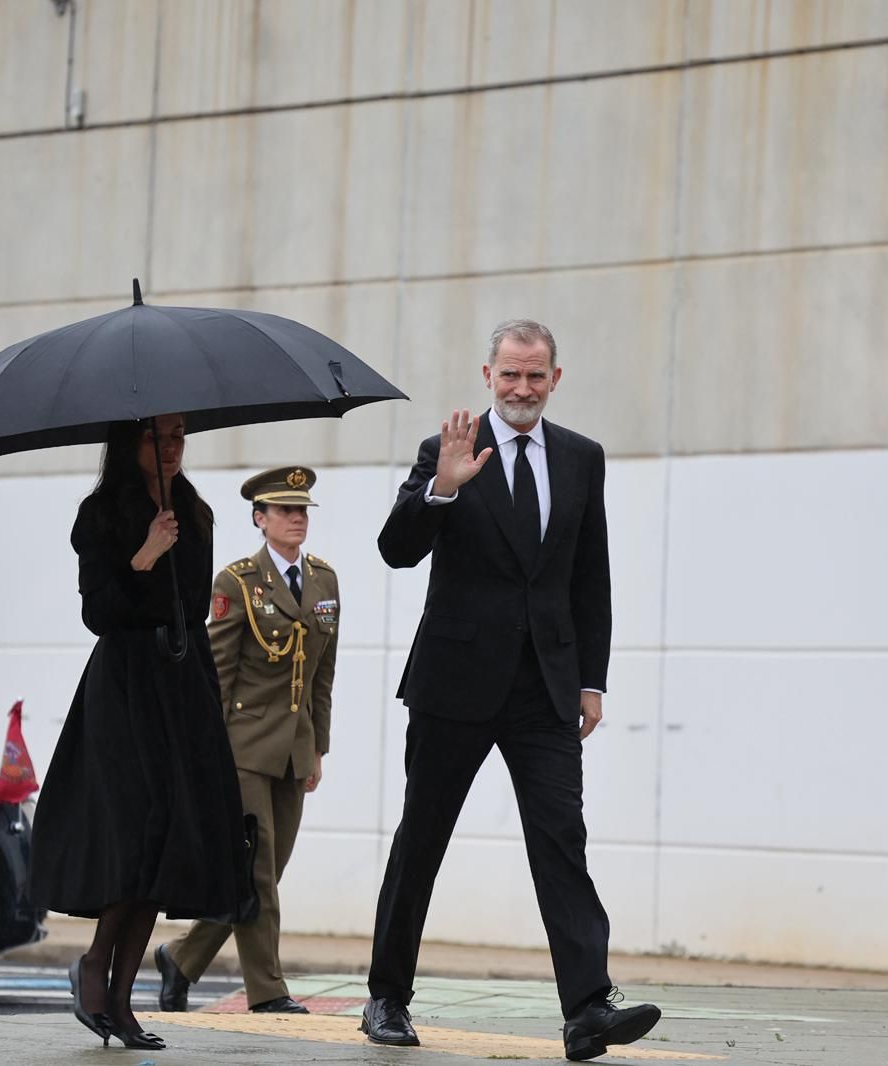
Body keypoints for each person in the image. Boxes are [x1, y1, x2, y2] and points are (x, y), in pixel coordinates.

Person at [362, 319, 660, 1061]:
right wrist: (440, 490)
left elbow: (591, 575)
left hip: (546, 688)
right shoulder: (447, 450)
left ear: (555, 378)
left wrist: (592, 679)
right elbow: (395, 550)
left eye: (535, 376)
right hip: (454, 683)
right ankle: (386, 997)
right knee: (421, 841)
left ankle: (588, 1009)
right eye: (509, 376)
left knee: (561, 840)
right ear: (486, 375)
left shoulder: (582, 458)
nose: (522, 389)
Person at [29, 414, 254, 1051]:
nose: (172, 446)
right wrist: (145, 556)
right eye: (158, 436)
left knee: (166, 839)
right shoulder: (101, 513)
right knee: (135, 830)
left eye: (180, 434)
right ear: (131, 444)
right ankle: (95, 964)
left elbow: (195, 608)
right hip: (125, 686)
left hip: (183, 681)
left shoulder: (195, 510)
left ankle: (121, 1001)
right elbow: (98, 613)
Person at [156, 466, 339, 1015]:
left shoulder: (326, 580)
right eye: (284, 511)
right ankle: (268, 990)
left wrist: (318, 749)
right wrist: (207, 754)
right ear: (260, 519)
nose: (296, 519)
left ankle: (181, 959)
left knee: (260, 873)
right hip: (242, 750)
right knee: (258, 872)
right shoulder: (236, 582)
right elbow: (216, 673)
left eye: (302, 510)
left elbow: (322, 677)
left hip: (293, 750)